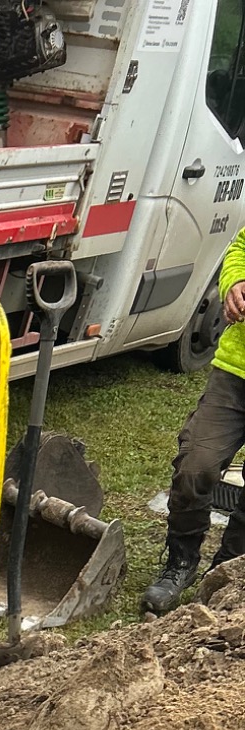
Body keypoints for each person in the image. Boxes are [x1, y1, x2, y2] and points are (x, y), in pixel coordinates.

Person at [144, 238, 245, 612]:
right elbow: (240, 247)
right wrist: (234, 282)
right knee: (195, 465)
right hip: (236, 374)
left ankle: (227, 577)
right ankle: (181, 563)